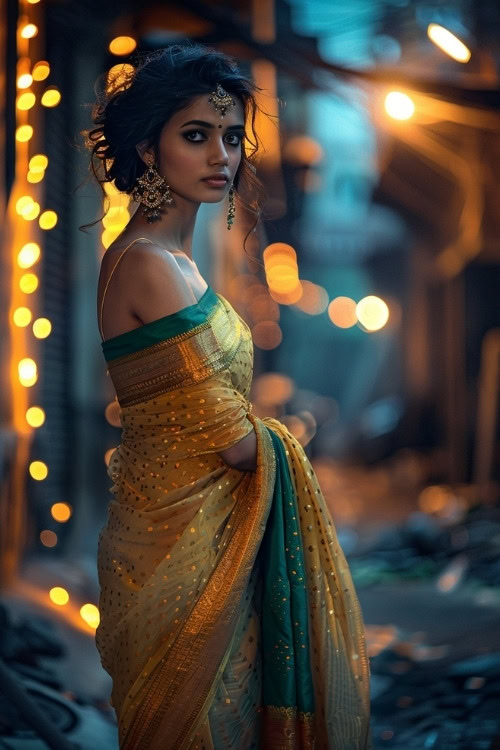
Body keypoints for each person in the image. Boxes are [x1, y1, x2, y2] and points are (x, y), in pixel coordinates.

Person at [82, 42, 372, 750]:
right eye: (196, 135)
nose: (222, 155)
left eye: (232, 137)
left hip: (210, 542)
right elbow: (236, 444)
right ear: (149, 149)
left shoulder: (176, 260)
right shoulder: (149, 266)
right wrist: (291, 436)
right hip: (178, 558)